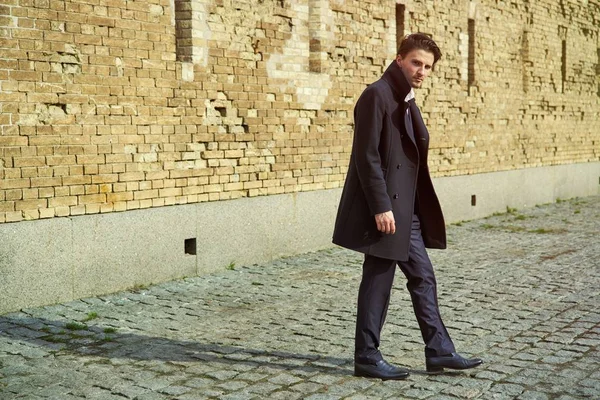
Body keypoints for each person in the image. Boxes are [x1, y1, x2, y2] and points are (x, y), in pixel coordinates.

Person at [332, 33, 483, 380]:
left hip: (407, 211)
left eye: (428, 67)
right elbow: (366, 156)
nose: (422, 71)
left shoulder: (405, 98)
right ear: (399, 59)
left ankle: (439, 351)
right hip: (385, 209)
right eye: (416, 62)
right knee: (378, 280)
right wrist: (380, 206)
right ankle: (367, 356)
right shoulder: (377, 95)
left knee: (423, 277)